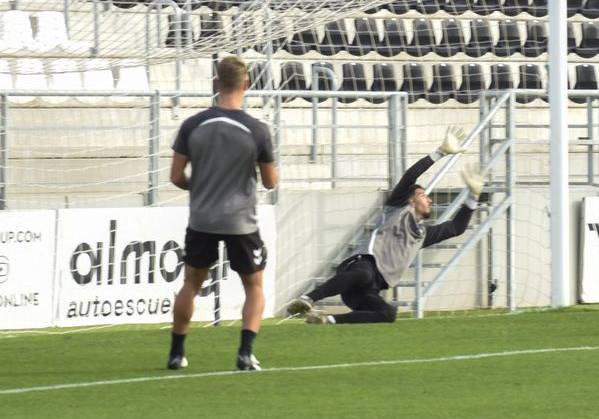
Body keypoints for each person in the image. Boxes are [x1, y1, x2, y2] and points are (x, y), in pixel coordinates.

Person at [286, 125, 486, 324]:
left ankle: (326, 321)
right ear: (410, 201)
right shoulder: (396, 209)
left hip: (367, 289)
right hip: (357, 268)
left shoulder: (422, 234)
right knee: (364, 273)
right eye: (423, 195)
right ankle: (307, 299)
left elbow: (457, 227)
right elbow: (410, 176)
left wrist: (473, 196)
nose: (430, 200)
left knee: (388, 313)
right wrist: (439, 153)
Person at [165, 55, 278, 371]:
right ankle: (245, 353)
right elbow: (270, 181)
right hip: (240, 220)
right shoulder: (257, 130)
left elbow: (175, 176)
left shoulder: (192, 124)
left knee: (191, 284)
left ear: (215, 84)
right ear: (247, 84)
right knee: (253, 286)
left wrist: (200, 188)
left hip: (202, 218)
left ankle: (176, 353)